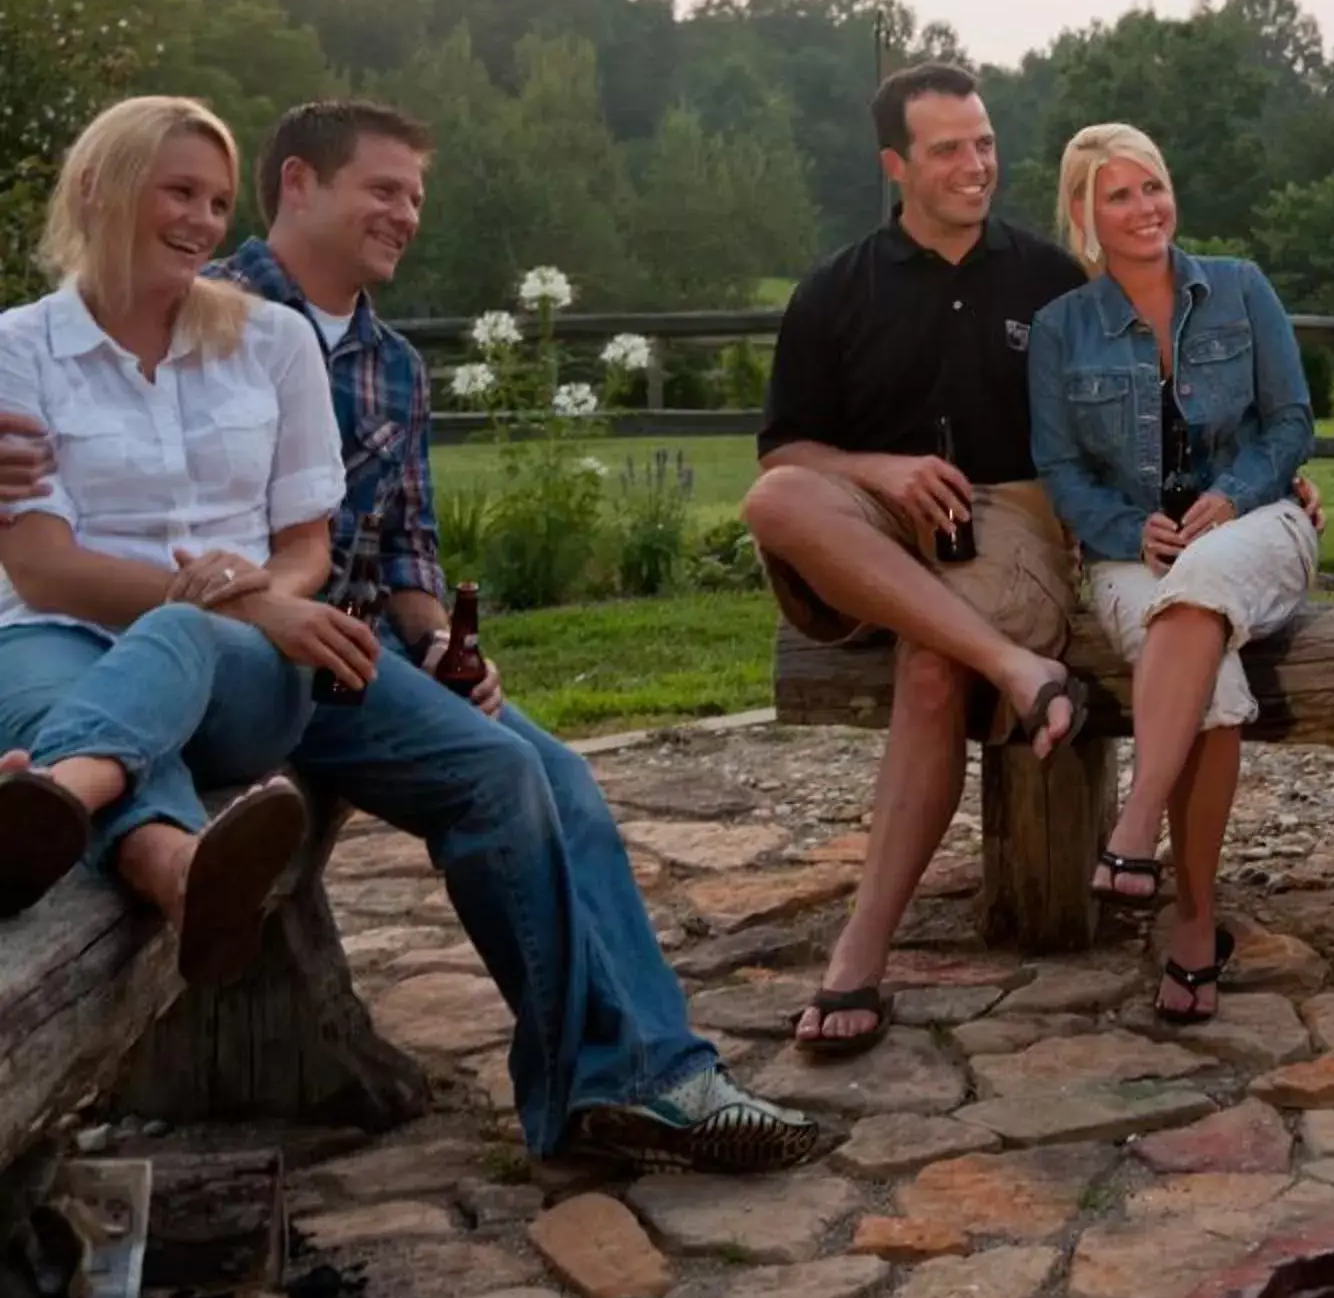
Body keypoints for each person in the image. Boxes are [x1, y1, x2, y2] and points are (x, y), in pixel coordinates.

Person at [210, 100, 822, 1172]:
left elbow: (407, 551)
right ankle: (609, 1083)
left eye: (415, 196)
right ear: (297, 183)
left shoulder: (391, 362)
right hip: (261, 659)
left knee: (564, 778)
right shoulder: (206, 321)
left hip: (376, 655)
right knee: (497, 778)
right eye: (383, 189)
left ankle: (652, 1070)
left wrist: (451, 641)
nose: (405, 214)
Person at [742, 63, 1090, 1055]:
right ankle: (1020, 670)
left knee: (933, 663)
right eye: (949, 149)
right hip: (878, 519)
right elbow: (790, 458)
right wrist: (884, 471)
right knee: (774, 496)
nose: (977, 164)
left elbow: (1137, 408)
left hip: (1009, 520)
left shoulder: (1049, 281)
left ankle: (860, 950)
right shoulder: (835, 290)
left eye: (983, 142)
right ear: (897, 164)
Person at [0, 96, 366, 983]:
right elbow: (43, 571)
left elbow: (306, 548)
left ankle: (57, 790)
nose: (204, 222)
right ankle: (182, 870)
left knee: (176, 633)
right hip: (53, 639)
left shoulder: (274, 341)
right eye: (180, 193)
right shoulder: (17, 348)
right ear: (96, 188)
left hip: (242, 661)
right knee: (102, 711)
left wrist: (249, 602)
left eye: (216, 201)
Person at [1029, 124, 1318, 1025]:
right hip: (1129, 554)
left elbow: (1292, 419)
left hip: (1259, 524)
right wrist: (1127, 527)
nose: (1144, 208)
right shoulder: (1059, 329)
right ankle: (1194, 923)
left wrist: (1233, 496)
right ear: (1084, 215)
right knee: (1214, 682)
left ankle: (1134, 823)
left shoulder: (1238, 287)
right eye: (1118, 195)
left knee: (1203, 582)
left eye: (1152, 186)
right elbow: (1060, 468)